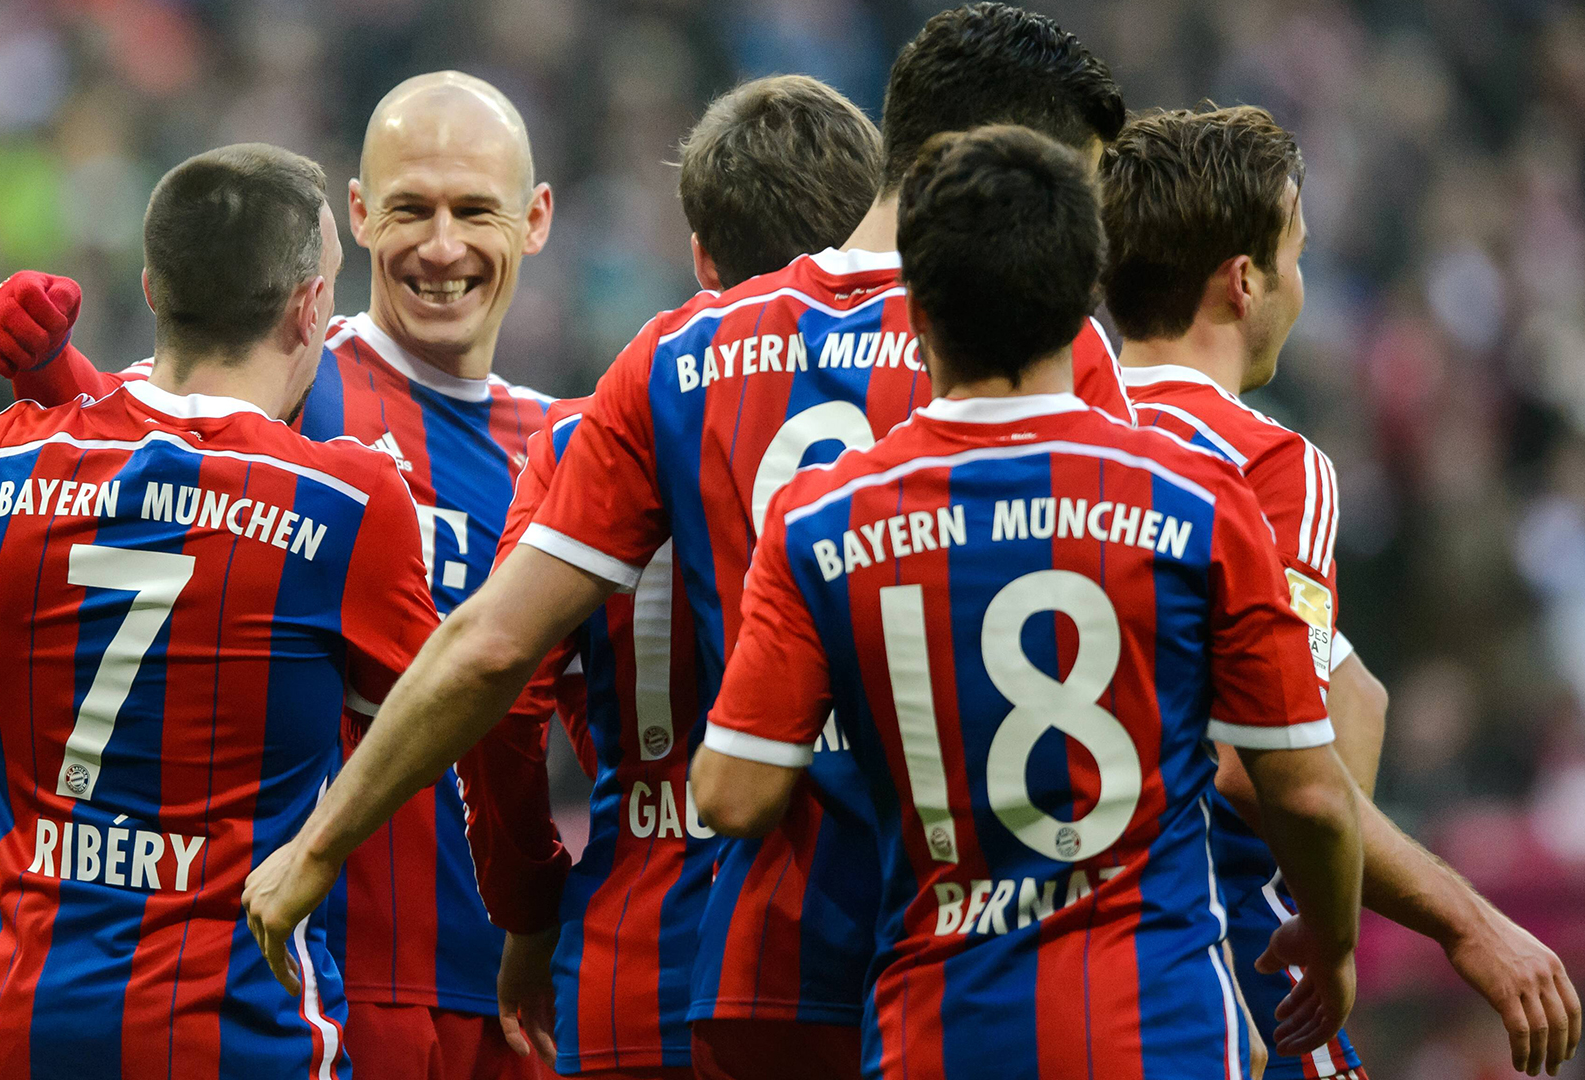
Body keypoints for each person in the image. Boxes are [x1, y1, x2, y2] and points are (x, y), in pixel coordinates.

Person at [238, 8, 1131, 1080]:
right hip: (964, 947)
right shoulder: (1037, 351)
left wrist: (319, 855)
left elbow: (493, 654)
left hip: (721, 944)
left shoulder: (663, 363)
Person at [0, 143, 439, 1080]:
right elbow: (455, 716)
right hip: (238, 1037)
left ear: (151, 288)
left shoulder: (12, 456)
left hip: (31, 1031)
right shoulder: (347, 501)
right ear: (310, 308)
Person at [692, 123, 1365, 1080]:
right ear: (1082, 298)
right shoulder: (1202, 498)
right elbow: (1307, 794)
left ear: (914, 303)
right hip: (1158, 1020)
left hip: (937, 1025)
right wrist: (1331, 943)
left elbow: (734, 793)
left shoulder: (819, 520)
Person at [0, 70, 562, 1080]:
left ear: (534, 221)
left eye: (473, 211)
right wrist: (53, 378)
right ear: (356, 218)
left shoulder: (572, 443)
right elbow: (129, 469)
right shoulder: (283, 377)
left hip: (499, 993)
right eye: (410, 209)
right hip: (311, 982)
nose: (441, 245)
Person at [1100, 105, 1582, 1079]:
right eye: (1297, 256)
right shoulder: (1265, 464)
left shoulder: (1037, 439)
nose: (1303, 286)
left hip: (1017, 966)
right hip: (1206, 951)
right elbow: (1256, 768)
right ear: (1245, 282)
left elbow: (1347, 696)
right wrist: (1466, 926)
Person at [470, 74, 884, 1080]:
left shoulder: (588, 434)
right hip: (846, 929)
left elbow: (504, 695)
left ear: (701, 256)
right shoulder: (923, 426)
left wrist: (530, 907)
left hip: (631, 945)